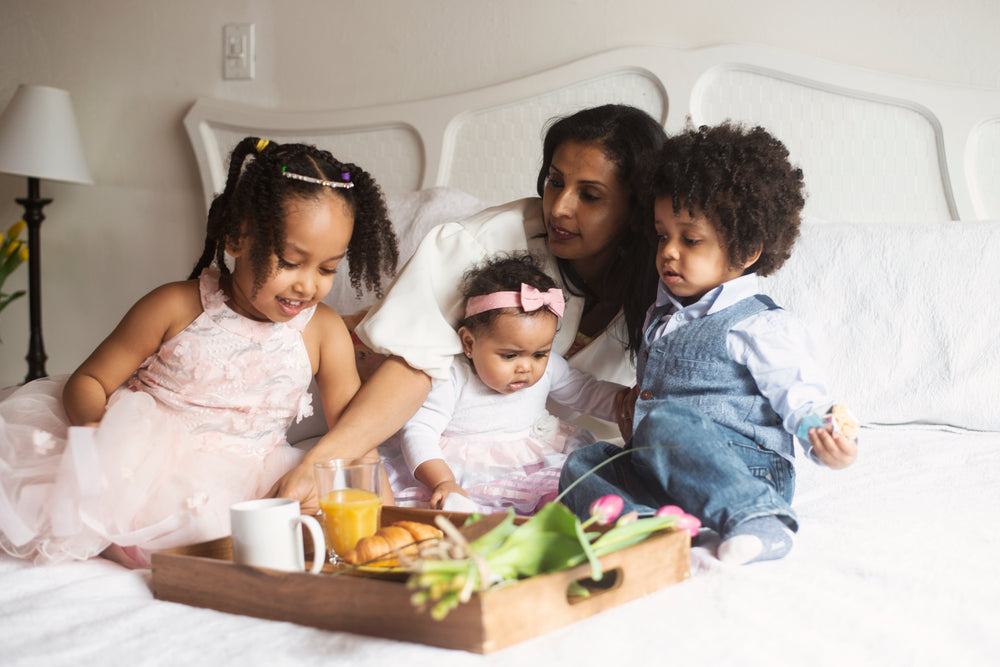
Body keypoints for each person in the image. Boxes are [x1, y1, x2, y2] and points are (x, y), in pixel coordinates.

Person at [0, 137, 398, 568]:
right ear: (235, 238)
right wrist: (99, 438)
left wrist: (394, 523)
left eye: (327, 269)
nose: (307, 285)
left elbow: (358, 441)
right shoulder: (174, 306)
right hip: (147, 470)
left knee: (304, 534)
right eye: (289, 261)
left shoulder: (324, 332)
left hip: (253, 481)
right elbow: (89, 381)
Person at [268, 104, 667, 511]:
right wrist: (322, 462)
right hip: (359, 387)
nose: (560, 207)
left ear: (637, 210)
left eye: (590, 195)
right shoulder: (483, 246)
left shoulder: (669, 273)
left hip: (537, 448)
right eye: (554, 181)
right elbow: (413, 366)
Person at [558, 121, 860, 566]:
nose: (668, 252)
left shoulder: (760, 326)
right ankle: (650, 526)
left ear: (746, 250)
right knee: (585, 461)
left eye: (690, 239)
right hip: (664, 469)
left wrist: (824, 438)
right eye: (662, 235)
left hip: (742, 471)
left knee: (665, 424)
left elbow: (798, 394)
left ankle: (762, 518)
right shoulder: (661, 316)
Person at [383, 252, 629, 515]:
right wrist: (444, 481)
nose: (526, 366)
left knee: (571, 489)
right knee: (464, 511)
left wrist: (634, 404)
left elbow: (586, 392)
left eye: (540, 354)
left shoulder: (548, 369)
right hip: (466, 471)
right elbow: (419, 431)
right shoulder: (453, 376)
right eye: (509, 355)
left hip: (536, 461)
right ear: (469, 343)